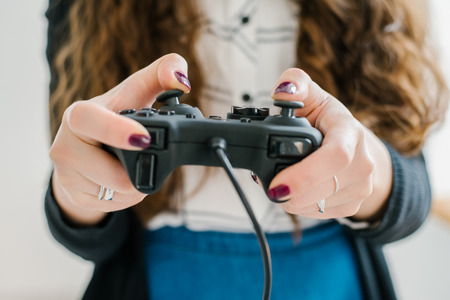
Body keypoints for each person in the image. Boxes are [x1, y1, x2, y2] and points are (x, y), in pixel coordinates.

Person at [44, 0, 448, 299]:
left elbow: (413, 195)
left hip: (327, 278)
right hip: (157, 276)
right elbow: (87, 233)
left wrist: (365, 168)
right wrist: (81, 190)